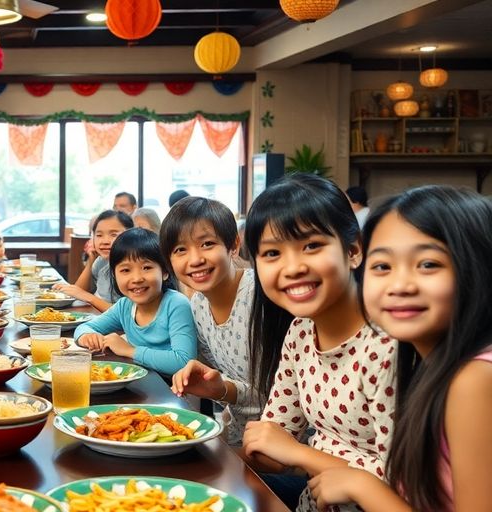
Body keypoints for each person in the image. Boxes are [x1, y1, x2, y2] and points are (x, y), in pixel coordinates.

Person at [309, 186, 492, 512]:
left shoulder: (476, 380)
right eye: (382, 267)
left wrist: (362, 484)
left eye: (428, 264)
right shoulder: (431, 366)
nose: (400, 285)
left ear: (479, 267)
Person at [241, 174, 398, 512]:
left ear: (353, 250)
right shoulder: (300, 331)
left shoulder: (388, 345)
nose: (293, 267)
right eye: (271, 253)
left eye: (311, 246)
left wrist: (298, 454)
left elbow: (400, 481)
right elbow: (272, 437)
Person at [164, 196, 260, 447]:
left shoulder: (261, 296)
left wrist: (224, 390)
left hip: (288, 449)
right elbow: (230, 388)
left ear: (234, 245)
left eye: (207, 244)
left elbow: (282, 395)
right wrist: (220, 389)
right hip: (239, 440)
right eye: (180, 250)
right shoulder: (197, 306)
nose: (194, 259)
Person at [73, 228, 197, 375]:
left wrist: (130, 351)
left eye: (146, 267)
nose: (137, 278)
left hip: (172, 392)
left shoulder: (176, 304)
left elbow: (183, 362)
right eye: (126, 270)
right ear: (114, 275)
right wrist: (88, 337)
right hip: (140, 383)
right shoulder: (125, 306)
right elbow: (84, 328)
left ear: (164, 272)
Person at [53, 210, 132, 312]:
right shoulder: (101, 261)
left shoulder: (132, 266)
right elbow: (78, 293)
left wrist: (89, 298)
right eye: (99, 235)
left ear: (131, 234)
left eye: (113, 235)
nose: (105, 241)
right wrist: (91, 260)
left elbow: (125, 315)